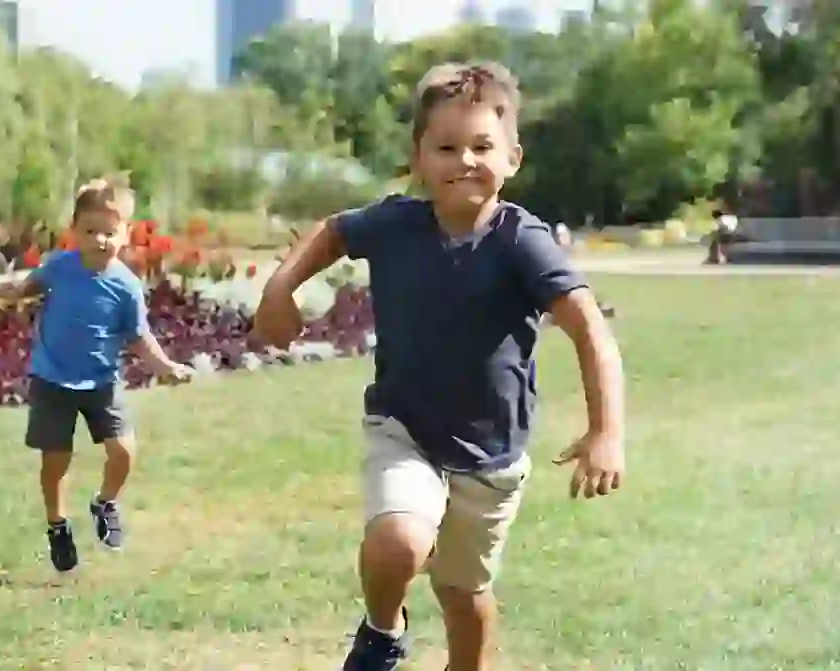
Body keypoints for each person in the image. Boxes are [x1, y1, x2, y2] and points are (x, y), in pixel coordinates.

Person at [251, 62, 626, 671]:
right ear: (418, 157)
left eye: (482, 146)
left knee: (462, 592)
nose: (465, 161)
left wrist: (606, 430)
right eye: (446, 147)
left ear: (513, 157)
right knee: (400, 539)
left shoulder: (521, 242)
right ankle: (382, 630)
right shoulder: (397, 223)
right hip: (405, 428)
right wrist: (279, 290)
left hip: (492, 453)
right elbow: (331, 233)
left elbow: (589, 329)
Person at [0, 175, 194, 573]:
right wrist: (13, 291)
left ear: (126, 233)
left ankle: (105, 502)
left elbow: (139, 337)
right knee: (56, 460)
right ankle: (57, 525)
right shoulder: (60, 268)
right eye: (90, 231)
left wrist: (166, 367)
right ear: (74, 231)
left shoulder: (126, 286)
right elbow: (32, 285)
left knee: (123, 451)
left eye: (109, 232)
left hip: (102, 382)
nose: (100, 240)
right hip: (52, 379)